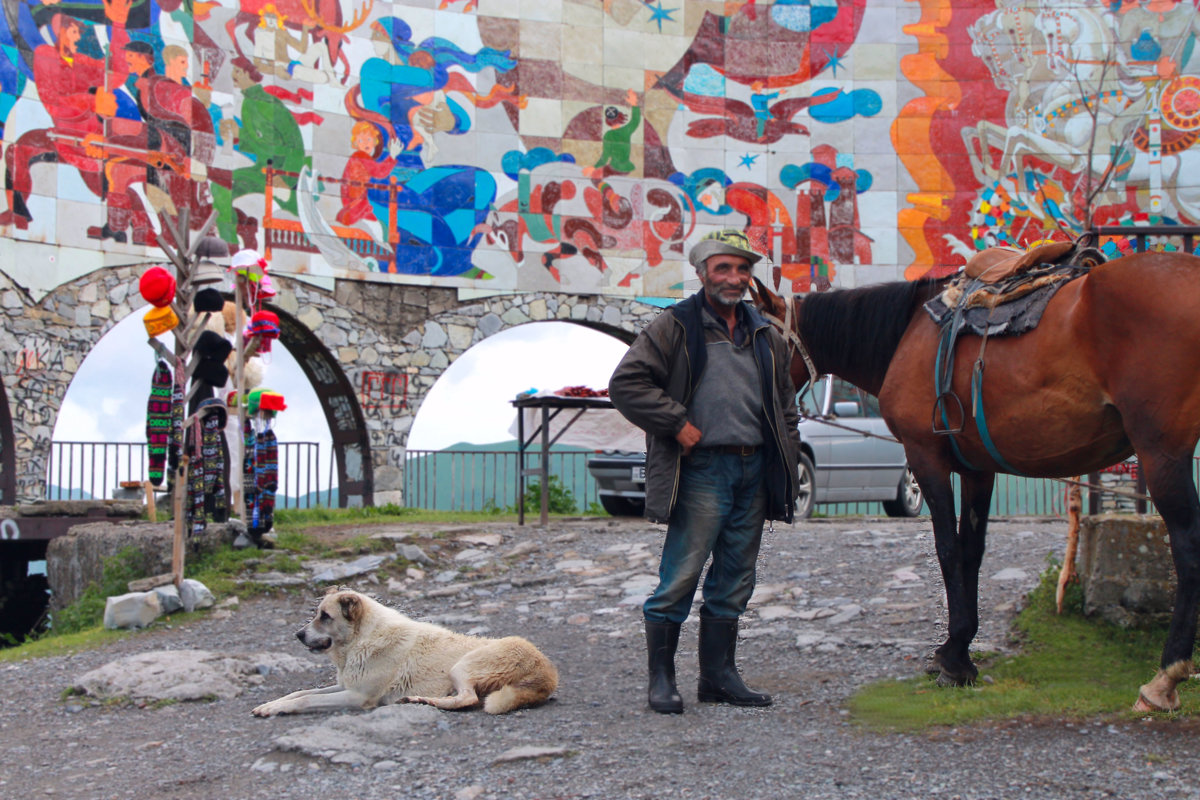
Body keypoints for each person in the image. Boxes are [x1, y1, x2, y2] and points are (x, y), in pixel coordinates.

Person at [609, 228, 801, 714]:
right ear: (701, 274)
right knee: (681, 575)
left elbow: (786, 407)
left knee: (736, 578)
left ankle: (718, 678)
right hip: (701, 469)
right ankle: (662, 680)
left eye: (742, 269)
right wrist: (676, 423)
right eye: (723, 268)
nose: (734, 278)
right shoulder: (675, 325)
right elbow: (627, 384)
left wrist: (787, 460)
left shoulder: (766, 332)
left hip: (754, 469)